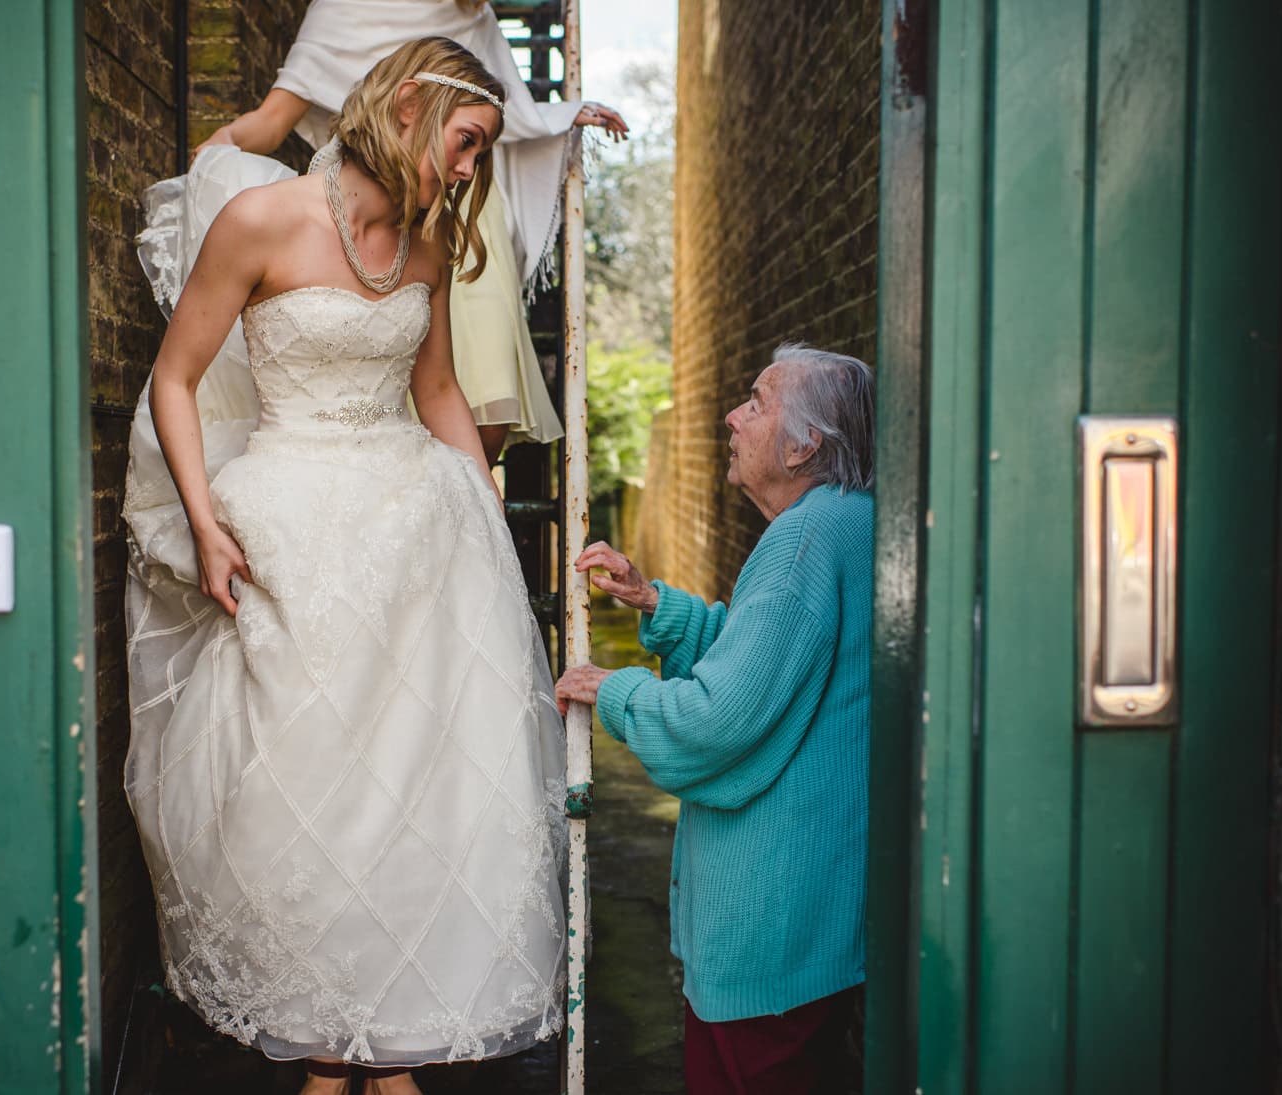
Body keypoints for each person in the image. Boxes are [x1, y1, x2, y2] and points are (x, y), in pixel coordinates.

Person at [121, 38, 567, 1095]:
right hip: (292, 529)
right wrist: (204, 522)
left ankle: (397, 1041)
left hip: (414, 535)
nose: (468, 169)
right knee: (307, 785)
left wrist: (489, 536)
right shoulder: (261, 221)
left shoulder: (427, 241)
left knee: (417, 785)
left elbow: (442, 395)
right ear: (409, 105)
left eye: (483, 154)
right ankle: (328, 1046)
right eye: (466, 142)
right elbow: (176, 381)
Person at [554, 345, 875, 1095]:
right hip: (821, 917)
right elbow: (771, 657)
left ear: (803, 446)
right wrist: (655, 605)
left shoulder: (800, 543)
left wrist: (616, 689)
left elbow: (720, 716)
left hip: (773, 928)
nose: (732, 416)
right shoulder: (848, 522)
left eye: (756, 403)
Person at [196, 0, 628, 464]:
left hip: (465, 223)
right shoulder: (342, 9)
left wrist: (562, 116)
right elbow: (273, 119)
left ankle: (462, 507)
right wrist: (218, 152)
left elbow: (498, 112)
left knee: (487, 407)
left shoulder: (474, 17)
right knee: (381, 402)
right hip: (364, 210)